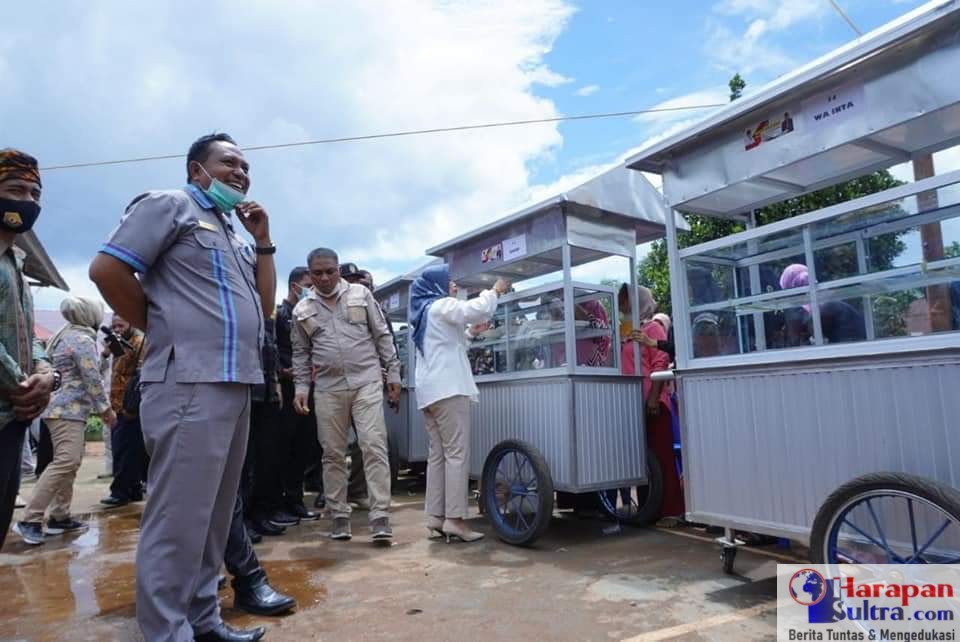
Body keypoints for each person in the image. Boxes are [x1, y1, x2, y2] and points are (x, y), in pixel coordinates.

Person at [89, 132, 275, 642]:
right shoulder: (169, 206)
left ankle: (203, 620)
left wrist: (261, 240)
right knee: (178, 518)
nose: (240, 172)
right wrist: (159, 323)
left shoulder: (230, 230)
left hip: (235, 381)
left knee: (213, 516)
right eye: (229, 162)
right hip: (189, 379)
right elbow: (106, 269)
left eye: (245, 166)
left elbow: (264, 308)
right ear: (198, 170)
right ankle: (167, 632)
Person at [292, 248, 401, 542]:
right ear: (310, 274)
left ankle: (380, 517)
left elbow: (382, 335)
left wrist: (393, 374)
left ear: (338, 269)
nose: (325, 278)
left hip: (366, 382)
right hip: (328, 389)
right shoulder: (302, 310)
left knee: (373, 446)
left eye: (330, 271)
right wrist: (301, 389)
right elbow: (301, 354)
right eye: (317, 273)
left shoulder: (360, 295)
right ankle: (339, 516)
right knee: (332, 453)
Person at [409, 264, 508, 542]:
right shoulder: (441, 305)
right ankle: (455, 519)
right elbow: (474, 309)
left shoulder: (426, 312)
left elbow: (449, 345)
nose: (453, 286)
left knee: (438, 456)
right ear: (437, 286)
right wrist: (495, 290)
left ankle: (435, 518)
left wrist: (472, 333)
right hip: (449, 391)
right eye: (449, 282)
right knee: (456, 454)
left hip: (430, 394)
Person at [16, 297, 115, 544]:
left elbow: (83, 369)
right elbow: (93, 379)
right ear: (90, 314)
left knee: (68, 463)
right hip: (67, 411)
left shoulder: (66, 334)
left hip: (58, 409)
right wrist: (106, 410)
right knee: (66, 461)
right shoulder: (82, 339)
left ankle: (60, 516)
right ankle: (31, 518)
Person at [0, 149, 57, 551]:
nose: (27, 201)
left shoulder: (15, 262)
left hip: (13, 418)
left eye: (35, 193)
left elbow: (29, 336)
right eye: (15, 189)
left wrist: (45, 372)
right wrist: (22, 384)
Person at [621, 287, 684, 519]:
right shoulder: (627, 331)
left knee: (661, 458)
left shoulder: (653, 328)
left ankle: (672, 511)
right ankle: (649, 508)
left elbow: (660, 361)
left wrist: (654, 396)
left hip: (653, 403)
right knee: (643, 461)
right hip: (631, 405)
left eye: (625, 299)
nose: (621, 304)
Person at [275, 266, 326, 516]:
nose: (313, 290)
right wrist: (283, 371)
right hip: (286, 391)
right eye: (309, 285)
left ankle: (295, 500)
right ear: (296, 286)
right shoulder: (278, 314)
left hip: (310, 389)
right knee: (283, 446)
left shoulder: (309, 315)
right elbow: (270, 348)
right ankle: (279, 501)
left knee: (305, 446)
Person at [101, 314, 147, 508]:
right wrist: (106, 352)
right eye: (114, 325)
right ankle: (134, 489)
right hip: (118, 404)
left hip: (131, 405)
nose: (117, 328)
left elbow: (141, 372)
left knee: (124, 450)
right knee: (128, 450)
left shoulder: (138, 342)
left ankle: (120, 492)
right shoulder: (117, 343)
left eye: (121, 324)